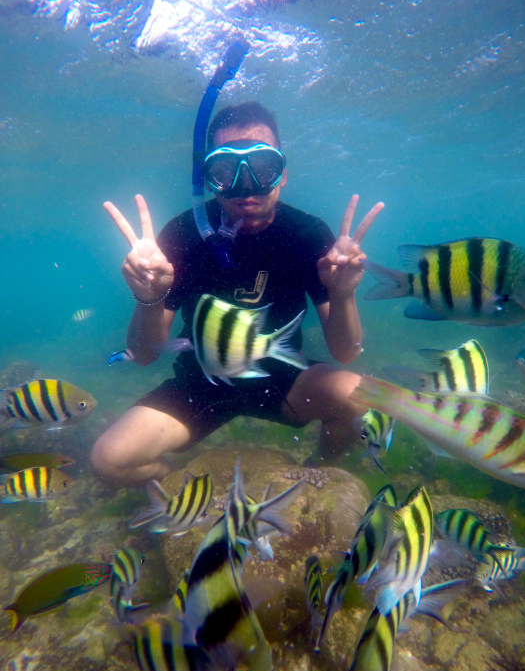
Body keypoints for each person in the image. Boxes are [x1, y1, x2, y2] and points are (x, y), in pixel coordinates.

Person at [91, 101, 383, 486]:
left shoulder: (308, 234)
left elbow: (346, 352)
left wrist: (344, 295)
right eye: (227, 170)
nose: (246, 185)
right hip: (203, 380)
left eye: (262, 167)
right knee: (108, 461)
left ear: (283, 175)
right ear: (208, 177)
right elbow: (144, 356)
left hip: (283, 375)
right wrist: (149, 297)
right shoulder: (182, 235)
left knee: (362, 398)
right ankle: (180, 486)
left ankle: (320, 474)